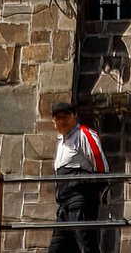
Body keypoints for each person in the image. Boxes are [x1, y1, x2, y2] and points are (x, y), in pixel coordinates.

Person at [47, 101, 108, 241]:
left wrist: (103, 193)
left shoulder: (84, 135)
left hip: (80, 199)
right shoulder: (61, 142)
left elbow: (101, 166)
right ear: (53, 121)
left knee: (87, 244)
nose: (61, 121)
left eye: (65, 117)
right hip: (64, 204)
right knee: (58, 248)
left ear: (74, 116)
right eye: (58, 118)